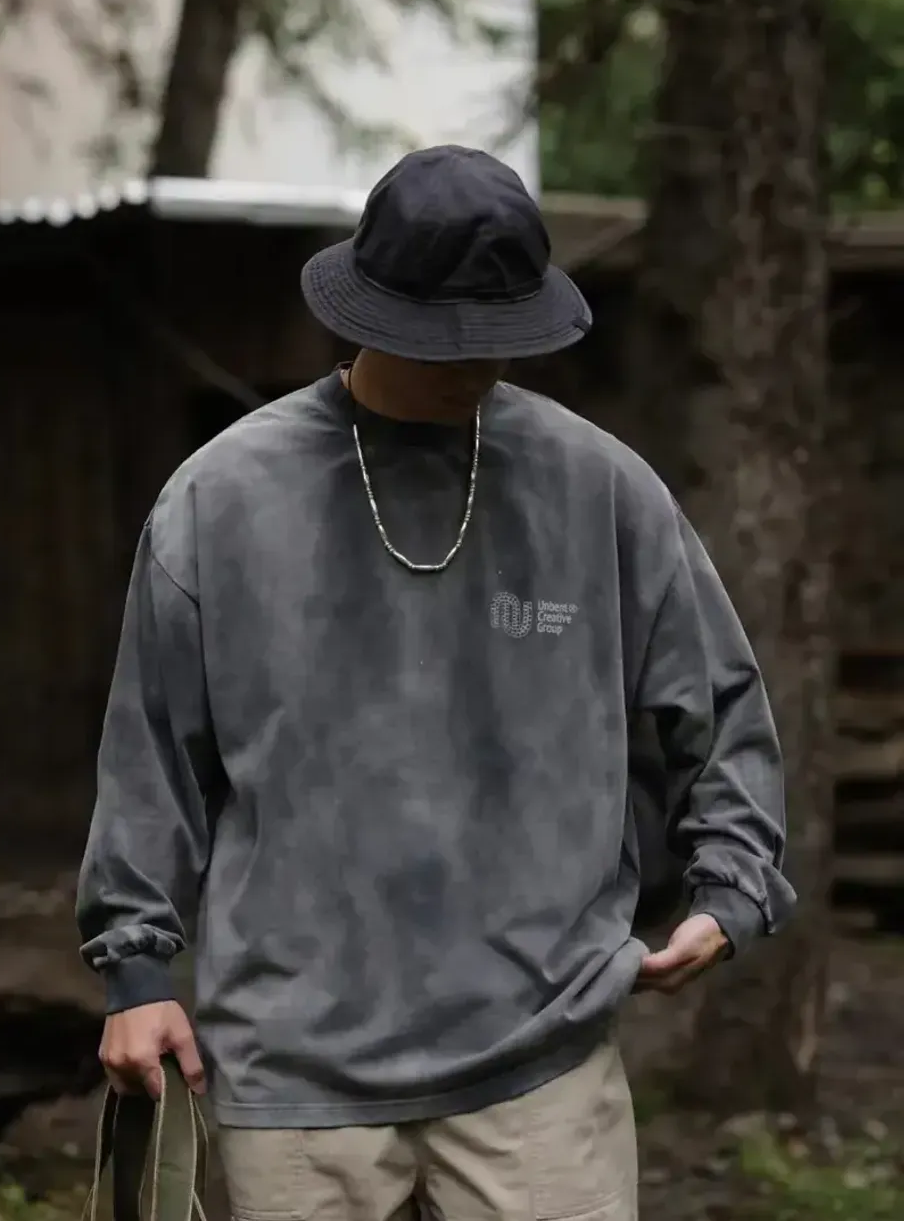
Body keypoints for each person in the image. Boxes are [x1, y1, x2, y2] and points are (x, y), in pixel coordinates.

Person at [76, 145, 795, 1221]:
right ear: (368, 310)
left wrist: (732, 885)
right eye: (442, 332)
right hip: (293, 1065)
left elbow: (722, 702)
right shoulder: (222, 498)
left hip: (541, 1059)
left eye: (499, 332)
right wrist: (135, 974)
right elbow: (150, 757)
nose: (474, 360)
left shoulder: (598, 488)